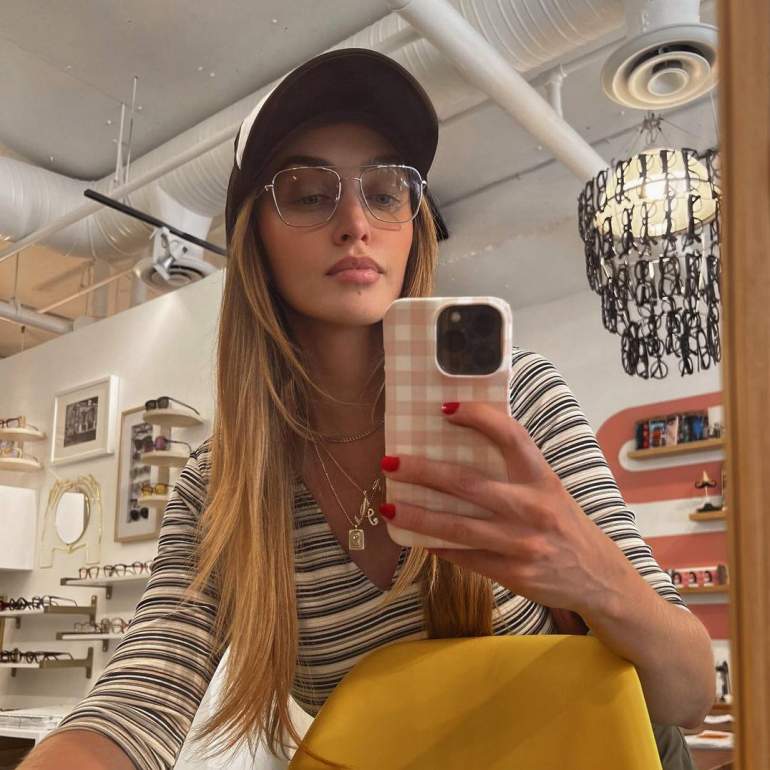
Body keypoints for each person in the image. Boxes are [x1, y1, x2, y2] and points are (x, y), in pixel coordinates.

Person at [20, 48, 713, 770]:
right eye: (308, 193)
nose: (355, 222)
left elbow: (689, 693)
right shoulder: (221, 484)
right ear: (255, 236)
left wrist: (589, 573)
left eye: (384, 191)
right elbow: (143, 694)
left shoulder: (521, 400)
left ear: (413, 224)